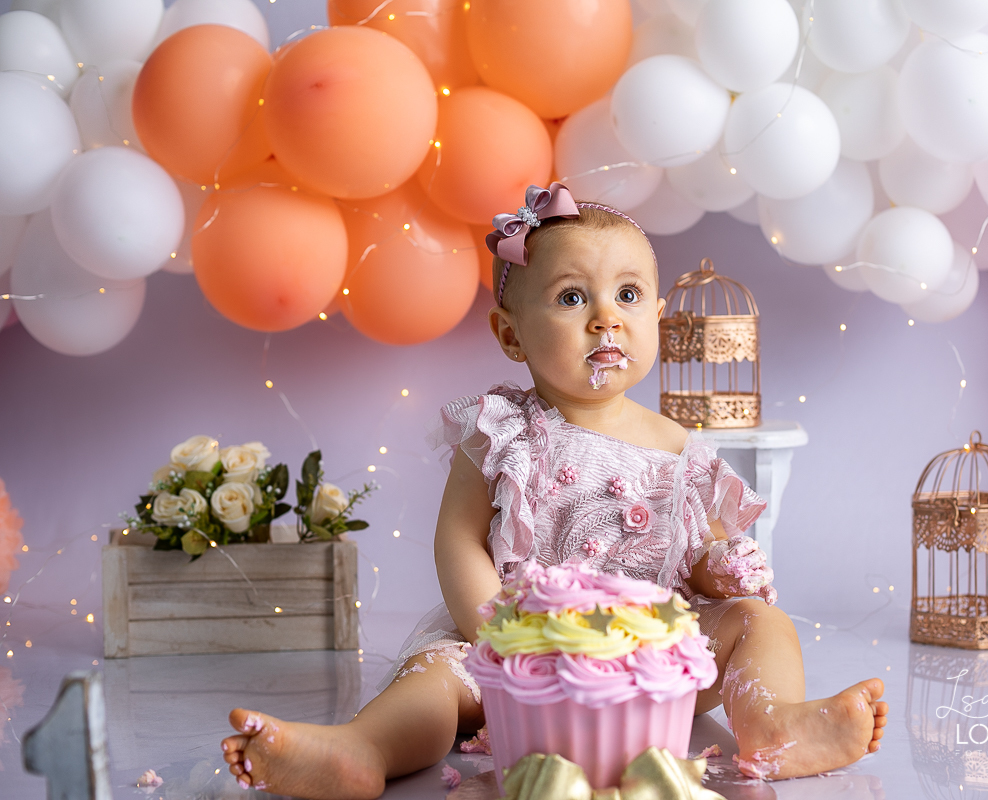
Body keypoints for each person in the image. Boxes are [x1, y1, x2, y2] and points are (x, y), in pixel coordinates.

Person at [219, 184, 887, 799]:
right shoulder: (504, 429)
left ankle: (773, 722)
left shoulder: (681, 448)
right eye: (573, 298)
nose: (605, 319)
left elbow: (699, 552)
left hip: (644, 656)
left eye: (627, 297)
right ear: (511, 333)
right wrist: (502, 634)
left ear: (656, 316)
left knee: (758, 620)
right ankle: (363, 750)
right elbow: (458, 540)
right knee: (434, 679)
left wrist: (721, 564)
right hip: (518, 653)